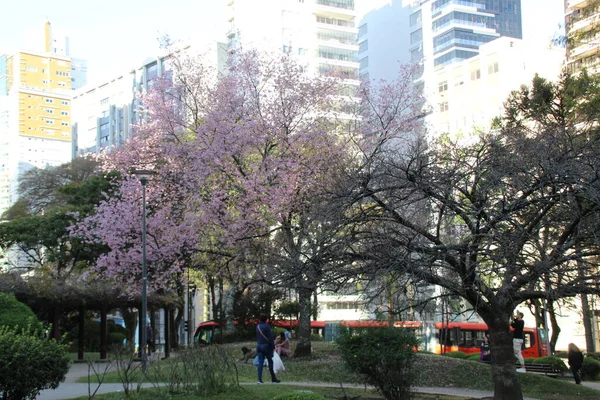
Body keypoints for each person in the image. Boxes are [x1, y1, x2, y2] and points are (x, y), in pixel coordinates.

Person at [256, 314, 281, 384]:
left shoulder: (257, 327)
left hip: (259, 345)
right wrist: (273, 347)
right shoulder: (267, 327)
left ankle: (259, 379)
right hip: (266, 346)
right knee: (270, 361)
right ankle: (273, 378)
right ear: (266, 319)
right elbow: (270, 338)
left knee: (260, 362)